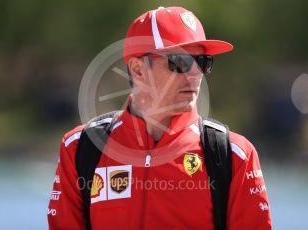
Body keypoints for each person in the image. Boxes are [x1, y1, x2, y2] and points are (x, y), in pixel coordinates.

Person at [48, 6, 272, 229]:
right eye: (180, 62)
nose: (196, 74)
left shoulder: (234, 155)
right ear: (137, 69)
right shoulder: (80, 147)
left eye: (203, 62)